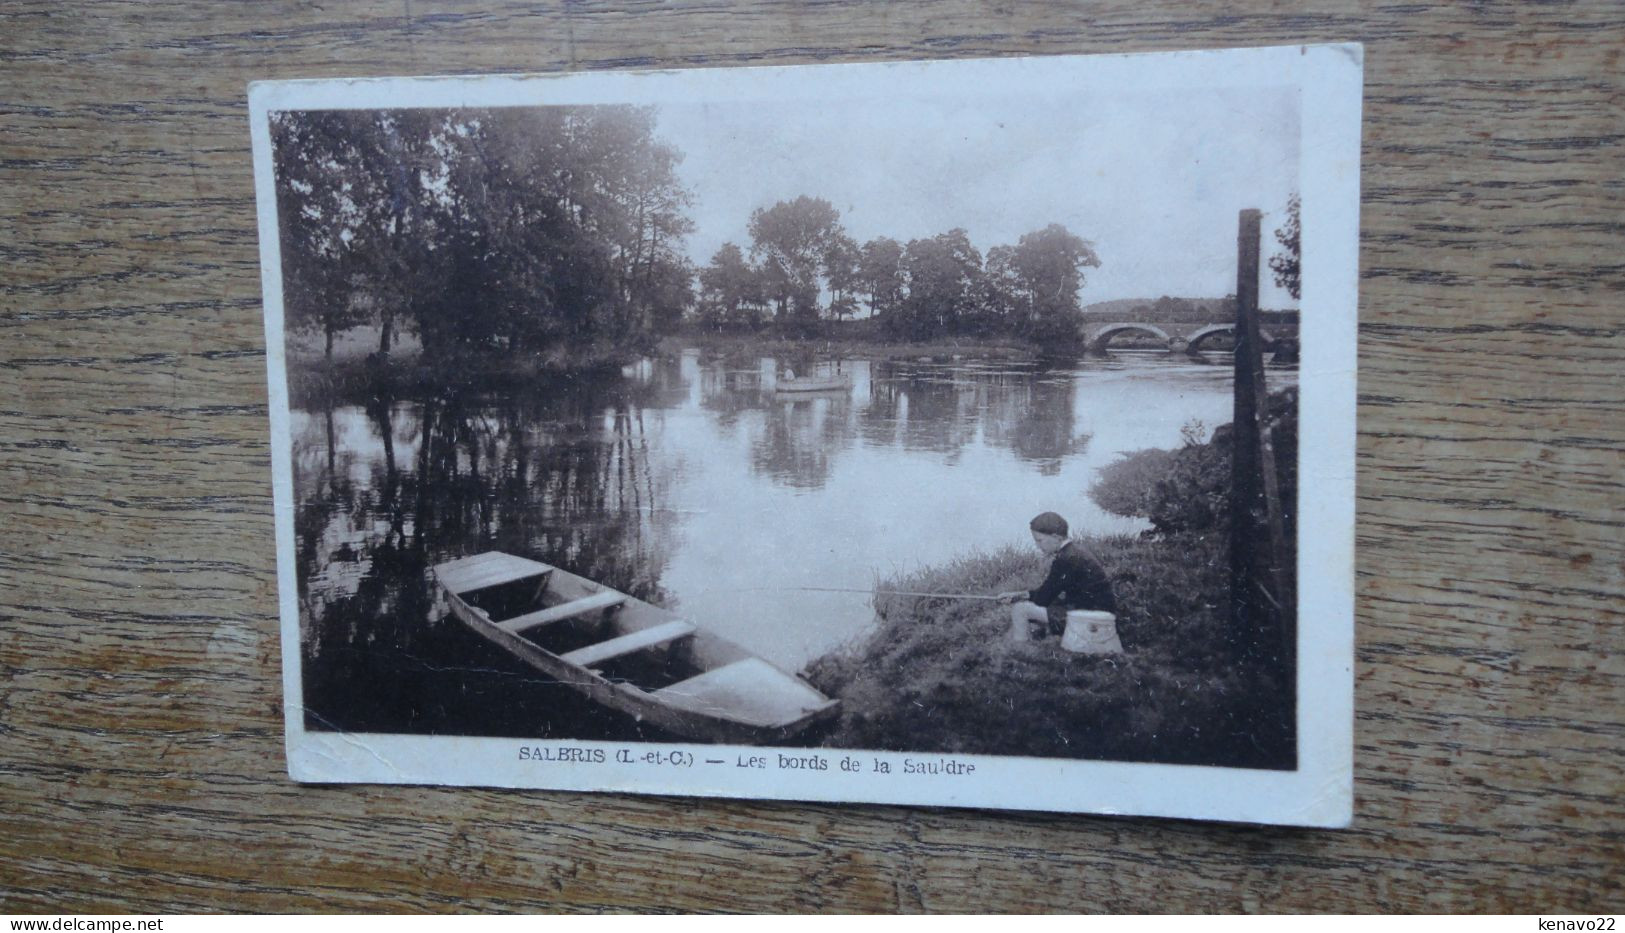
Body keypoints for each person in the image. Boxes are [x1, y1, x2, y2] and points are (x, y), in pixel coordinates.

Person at [997, 512, 1117, 642]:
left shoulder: (1065, 559)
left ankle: (1020, 650)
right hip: (1101, 612)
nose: (1038, 546)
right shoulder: (1074, 551)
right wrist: (1018, 595)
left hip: (1090, 617)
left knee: (1020, 609)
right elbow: (1049, 593)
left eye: (1039, 540)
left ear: (1055, 537)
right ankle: (1032, 642)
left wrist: (1018, 599)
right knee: (1044, 607)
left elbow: (1043, 598)